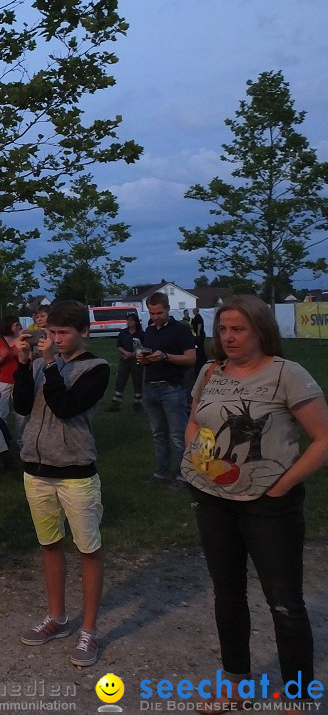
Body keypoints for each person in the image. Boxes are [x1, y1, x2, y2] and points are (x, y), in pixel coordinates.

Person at [181, 295, 328, 709]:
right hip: (212, 499)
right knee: (227, 594)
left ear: (262, 330)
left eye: (238, 329)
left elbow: (324, 439)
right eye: (223, 329)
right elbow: (195, 419)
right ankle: (234, 682)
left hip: (269, 506)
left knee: (284, 603)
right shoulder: (211, 372)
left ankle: (296, 696)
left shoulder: (288, 375)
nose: (228, 337)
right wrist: (201, 456)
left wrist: (280, 486)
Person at [12, 300, 109, 667]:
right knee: (49, 544)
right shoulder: (39, 364)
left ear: (83, 332)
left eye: (63, 333)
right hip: (36, 469)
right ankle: (57, 616)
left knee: (88, 549)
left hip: (75, 471)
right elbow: (22, 406)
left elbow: (65, 406)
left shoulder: (95, 367)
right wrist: (24, 364)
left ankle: (89, 629)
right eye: (50, 333)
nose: (55, 339)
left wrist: (50, 363)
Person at [140, 292, 197, 482]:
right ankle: (161, 472)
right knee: (158, 434)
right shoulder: (149, 331)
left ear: (167, 309)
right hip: (151, 386)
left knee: (178, 435)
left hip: (172, 388)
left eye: (159, 313)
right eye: (151, 313)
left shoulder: (180, 329)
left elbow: (191, 358)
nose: (155, 317)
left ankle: (184, 475)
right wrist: (144, 359)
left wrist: (166, 356)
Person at [108, 312, 144, 412]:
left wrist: (132, 354)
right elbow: (119, 345)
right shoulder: (123, 333)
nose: (129, 322)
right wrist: (125, 353)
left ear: (136, 322)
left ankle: (138, 403)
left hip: (136, 360)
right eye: (128, 320)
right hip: (124, 360)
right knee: (120, 381)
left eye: (131, 320)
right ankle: (115, 404)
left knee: (137, 381)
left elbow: (143, 348)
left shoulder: (141, 334)